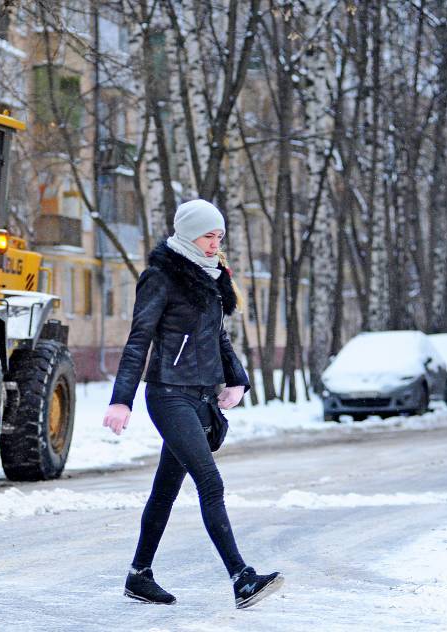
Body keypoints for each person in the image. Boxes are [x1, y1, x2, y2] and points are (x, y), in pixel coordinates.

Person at [102, 199, 284, 609]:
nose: (213, 243)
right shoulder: (161, 278)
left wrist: (237, 379)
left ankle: (139, 575)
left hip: (200, 395)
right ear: (187, 233)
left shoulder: (212, 278)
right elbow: (138, 339)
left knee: (165, 489)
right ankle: (242, 579)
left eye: (218, 236)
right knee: (210, 480)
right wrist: (121, 400)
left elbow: (218, 338)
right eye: (207, 235)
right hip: (168, 393)